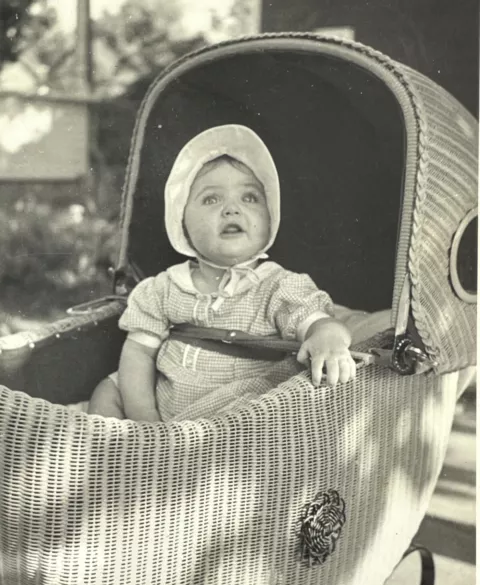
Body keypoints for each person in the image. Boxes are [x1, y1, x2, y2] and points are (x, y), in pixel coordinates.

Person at [88, 124, 357, 423]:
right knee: (107, 391)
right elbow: (138, 354)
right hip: (161, 413)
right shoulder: (163, 288)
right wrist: (145, 420)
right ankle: (124, 459)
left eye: (250, 198)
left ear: (270, 219)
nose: (232, 209)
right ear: (182, 223)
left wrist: (329, 339)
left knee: (260, 411)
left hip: (231, 421)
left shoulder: (278, 287)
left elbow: (319, 323)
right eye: (212, 199)